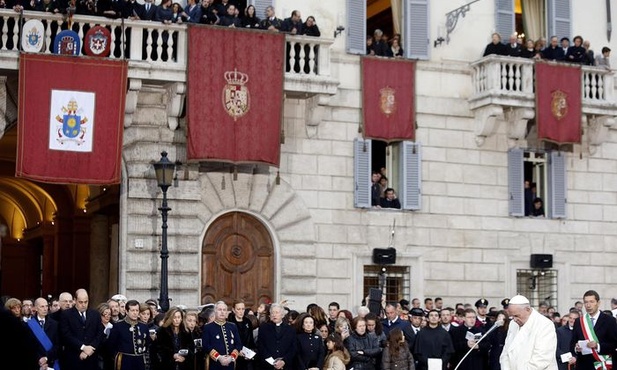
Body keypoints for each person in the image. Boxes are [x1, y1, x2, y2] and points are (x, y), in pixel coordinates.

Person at [499, 295, 557, 370]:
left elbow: (541, 359)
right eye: (512, 316)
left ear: (527, 309)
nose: (514, 319)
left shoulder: (545, 324)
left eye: (517, 315)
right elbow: (506, 352)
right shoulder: (513, 324)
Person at [570, 290, 617, 370]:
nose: (588, 305)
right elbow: (572, 343)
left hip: (603, 364)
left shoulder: (610, 320)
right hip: (583, 365)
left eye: (591, 302)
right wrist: (576, 348)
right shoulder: (579, 321)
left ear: (598, 303)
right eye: (586, 302)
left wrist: (597, 346)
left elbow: (614, 344)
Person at [59, 288, 105, 370]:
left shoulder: (95, 314)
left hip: (92, 359)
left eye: (86, 302)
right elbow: (66, 335)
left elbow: (100, 333)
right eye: (81, 302)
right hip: (74, 358)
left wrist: (90, 348)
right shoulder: (66, 315)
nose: (83, 305)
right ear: (75, 300)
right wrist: (83, 347)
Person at [106, 299, 151, 370]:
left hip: (139, 361)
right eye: (132, 310)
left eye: (137, 310)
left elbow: (147, 343)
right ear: (127, 311)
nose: (135, 313)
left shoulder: (144, 326)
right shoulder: (118, 326)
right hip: (124, 361)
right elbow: (111, 345)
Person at [202, 301, 242, 370]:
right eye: (220, 310)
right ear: (215, 312)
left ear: (227, 312)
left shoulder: (232, 326)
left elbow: (238, 344)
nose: (222, 312)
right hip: (215, 364)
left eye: (224, 310)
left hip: (230, 363)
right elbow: (206, 345)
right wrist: (219, 357)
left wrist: (231, 357)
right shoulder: (208, 327)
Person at [256, 303, 297, 370]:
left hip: (285, 366)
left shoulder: (290, 329)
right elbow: (261, 345)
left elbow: (293, 348)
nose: (274, 315)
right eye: (272, 313)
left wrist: (284, 361)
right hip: (267, 365)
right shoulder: (263, 328)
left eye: (277, 312)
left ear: (282, 315)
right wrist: (272, 361)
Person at [29, 296, 61, 369]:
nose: (45, 309)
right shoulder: (29, 325)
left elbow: (57, 345)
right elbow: (29, 346)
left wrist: (46, 358)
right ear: (36, 308)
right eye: (42, 306)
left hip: (51, 362)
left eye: (46, 306)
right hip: (35, 363)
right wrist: (39, 359)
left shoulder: (55, 324)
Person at [227, 300, 255, 370]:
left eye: (243, 309)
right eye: (238, 309)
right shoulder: (229, 323)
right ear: (233, 310)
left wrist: (251, 352)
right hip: (233, 356)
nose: (241, 311)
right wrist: (237, 351)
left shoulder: (248, 322)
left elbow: (251, 340)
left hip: (246, 357)